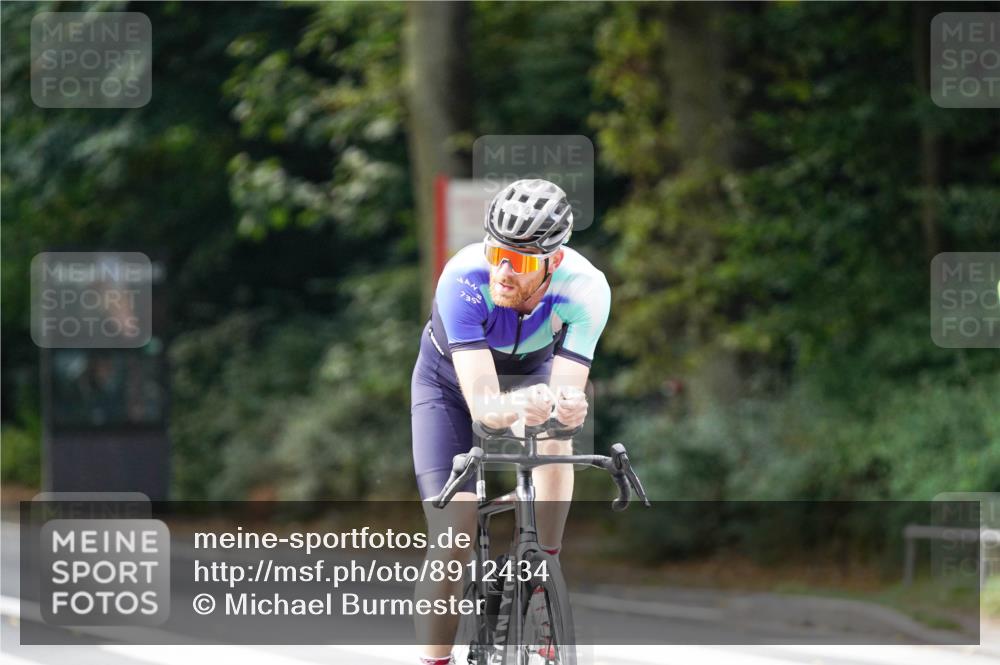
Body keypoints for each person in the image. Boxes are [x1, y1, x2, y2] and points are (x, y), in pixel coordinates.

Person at [411, 179, 611, 665]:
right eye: (496, 251)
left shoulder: (586, 290)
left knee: (557, 440)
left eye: (519, 261)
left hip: (531, 373)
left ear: (554, 261)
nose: (503, 270)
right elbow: (484, 406)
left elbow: (567, 388)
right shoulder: (462, 277)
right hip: (451, 386)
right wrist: (518, 407)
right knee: (455, 534)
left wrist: (568, 408)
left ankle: (544, 576)